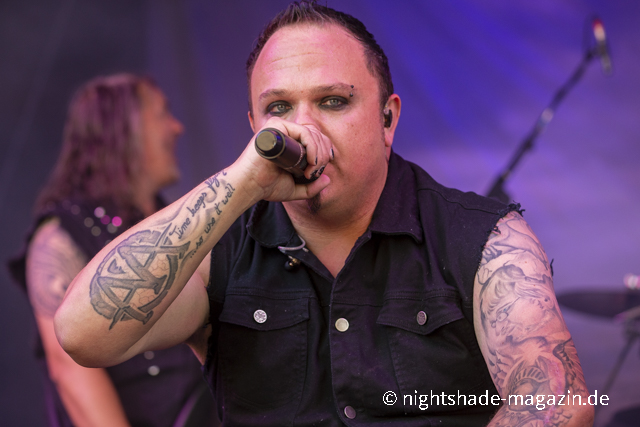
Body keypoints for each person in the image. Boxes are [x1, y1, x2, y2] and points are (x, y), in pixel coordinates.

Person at [54, 3, 594, 426]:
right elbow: (81, 334)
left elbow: (558, 403)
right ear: (255, 127)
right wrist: (239, 182)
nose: (303, 129)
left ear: (387, 119)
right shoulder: (222, 249)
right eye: (279, 108)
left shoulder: (484, 238)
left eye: (333, 101)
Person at [9, 73, 217, 427]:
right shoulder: (60, 235)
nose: (177, 127)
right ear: (125, 129)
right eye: (162, 114)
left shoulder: (172, 221)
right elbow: (70, 370)